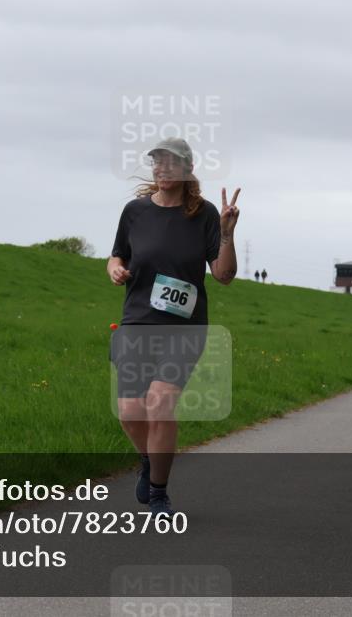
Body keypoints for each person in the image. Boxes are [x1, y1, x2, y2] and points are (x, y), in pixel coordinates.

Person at [107, 137, 241, 517]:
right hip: (136, 323)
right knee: (131, 411)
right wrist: (115, 268)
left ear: (187, 169)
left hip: (184, 329)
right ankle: (151, 463)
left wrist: (227, 233)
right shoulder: (135, 211)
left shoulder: (204, 214)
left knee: (160, 404)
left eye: (170, 163)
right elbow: (117, 254)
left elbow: (224, 275)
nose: (162, 168)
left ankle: (159, 494)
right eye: (157, 162)